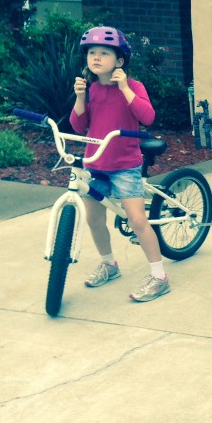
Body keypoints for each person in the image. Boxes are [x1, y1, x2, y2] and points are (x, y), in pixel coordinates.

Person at [70, 26, 170, 303]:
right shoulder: (90, 89)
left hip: (125, 164)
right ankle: (109, 263)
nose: (97, 57)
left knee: (137, 220)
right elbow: (78, 125)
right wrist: (80, 97)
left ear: (120, 61)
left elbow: (147, 117)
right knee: (94, 218)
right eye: (92, 53)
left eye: (104, 53)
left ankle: (159, 276)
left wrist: (125, 88)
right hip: (95, 162)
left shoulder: (134, 87)